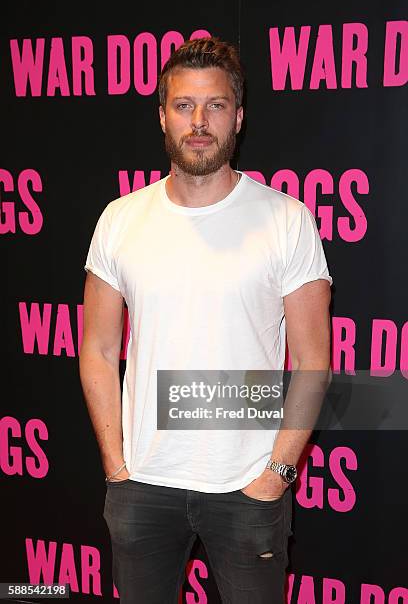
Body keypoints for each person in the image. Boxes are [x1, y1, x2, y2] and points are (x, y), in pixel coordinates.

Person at [79, 37, 333, 604]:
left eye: (215, 105)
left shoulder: (286, 220)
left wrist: (277, 476)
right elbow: (96, 349)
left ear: (238, 117)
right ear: (162, 115)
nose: (199, 121)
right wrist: (117, 466)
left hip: (247, 491)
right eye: (184, 105)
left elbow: (315, 362)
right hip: (142, 486)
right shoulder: (121, 220)